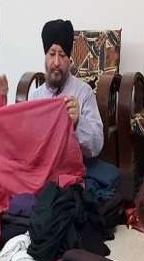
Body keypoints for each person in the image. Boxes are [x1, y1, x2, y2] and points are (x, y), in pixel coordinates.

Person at [29, 19, 104, 158]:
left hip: (73, 172)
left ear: (69, 59)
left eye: (62, 55)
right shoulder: (35, 97)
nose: (56, 62)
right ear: (45, 56)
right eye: (52, 54)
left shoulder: (84, 93)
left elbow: (97, 145)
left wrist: (78, 123)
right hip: (42, 170)